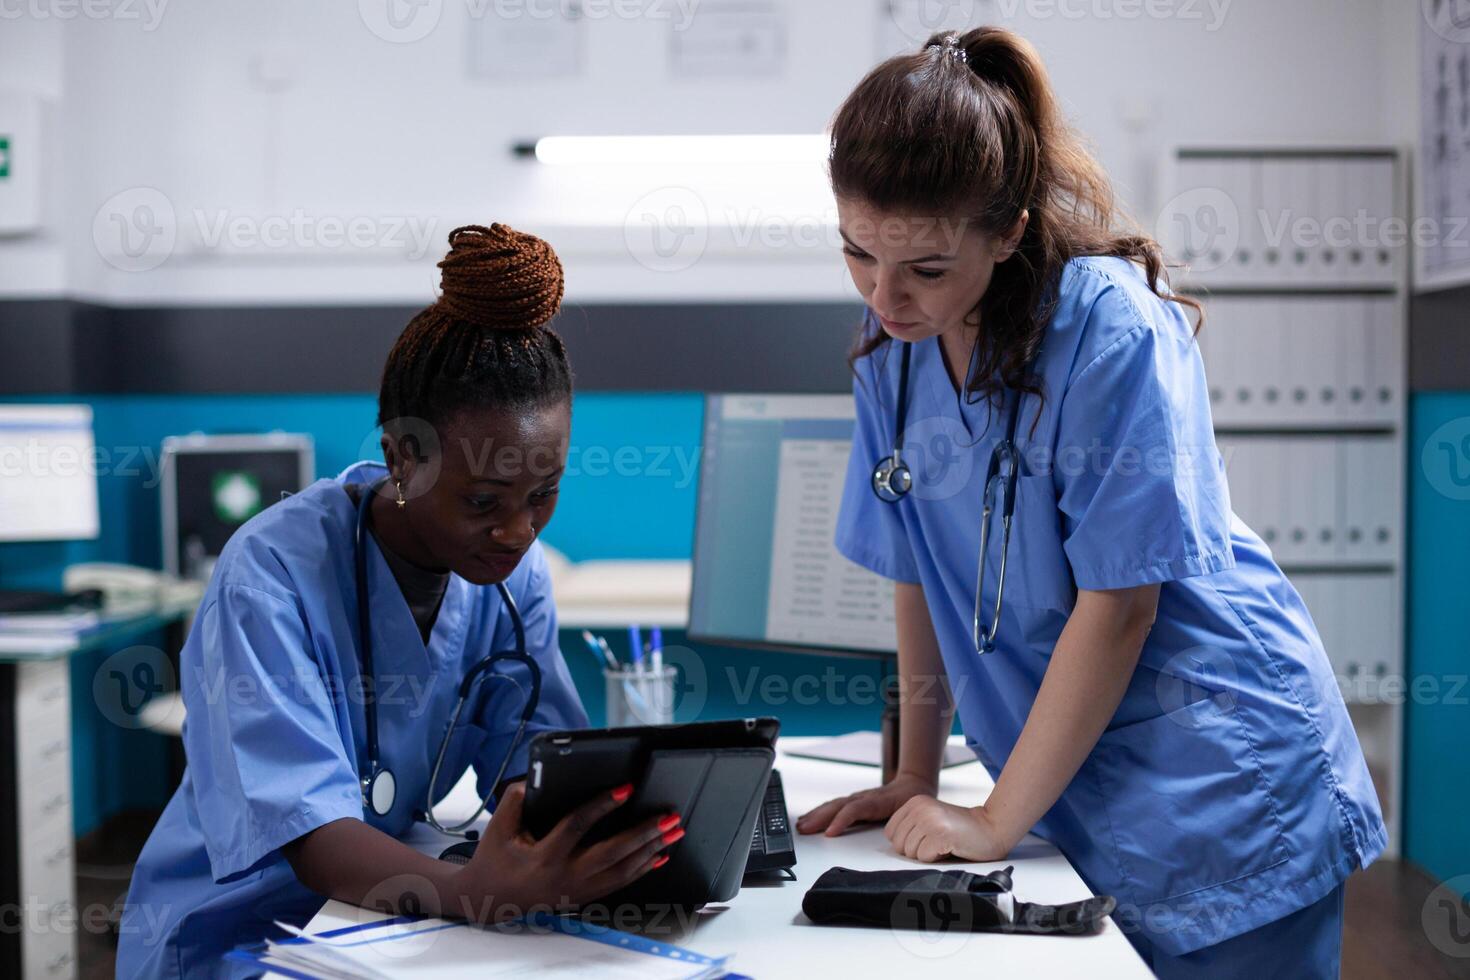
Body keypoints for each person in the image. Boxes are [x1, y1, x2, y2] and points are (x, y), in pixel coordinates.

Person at [795, 28, 1385, 979]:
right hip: (1070, 783)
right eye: (859, 253)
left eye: (927, 269)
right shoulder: (892, 347)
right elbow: (922, 572)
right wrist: (911, 771)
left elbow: (1121, 606)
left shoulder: (1112, 330)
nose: (886, 295)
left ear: (1010, 230)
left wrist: (991, 818)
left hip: (1221, 776)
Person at [117, 224, 679, 979]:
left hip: (392, 923)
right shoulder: (270, 576)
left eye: (542, 495)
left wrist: (571, 843)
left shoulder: (518, 577)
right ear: (403, 458)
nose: (516, 532)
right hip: (239, 933)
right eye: (483, 500)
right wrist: (474, 890)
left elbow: (532, 764)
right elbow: (310, 836)